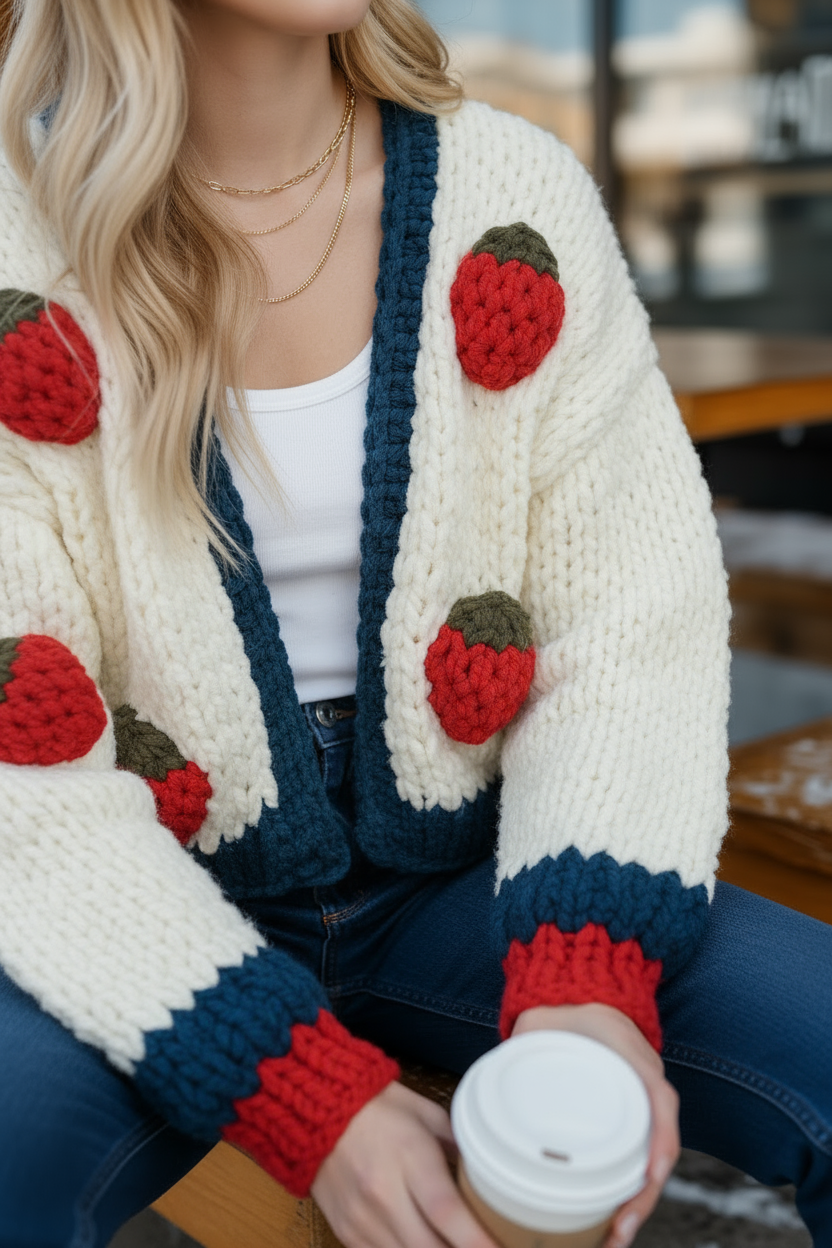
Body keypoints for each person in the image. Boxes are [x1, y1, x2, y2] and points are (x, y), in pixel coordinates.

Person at [0, 2, 830, 1247]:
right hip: (131, 870)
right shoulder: (17, 241)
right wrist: (302, 1098)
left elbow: (625, 618)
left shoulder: (513, 193)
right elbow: (26, 776)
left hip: (474, 861)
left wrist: (586, 973)